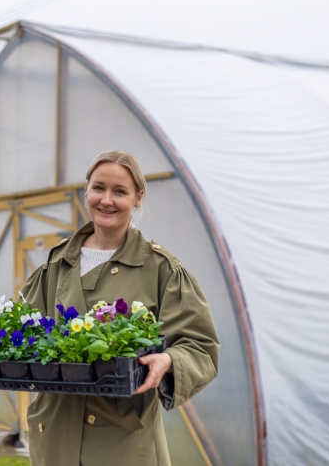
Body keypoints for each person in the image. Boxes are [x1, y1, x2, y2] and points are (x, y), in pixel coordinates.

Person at [22, 150, 220, 466]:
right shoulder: (57, 264)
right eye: (99, 188)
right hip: (55, 439)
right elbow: (23, 331)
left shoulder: (160, 269)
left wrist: (169, 360)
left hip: (124, 445)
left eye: (120, 191)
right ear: (86, 191)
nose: (107, 200)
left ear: (138, 197)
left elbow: (201, 347)